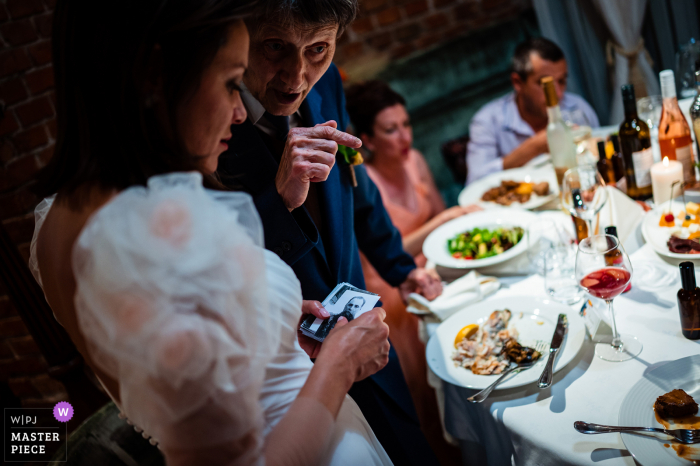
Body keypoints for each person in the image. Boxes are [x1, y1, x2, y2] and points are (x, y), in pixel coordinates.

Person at [30, 1, 394, 465]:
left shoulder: (57, 219)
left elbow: (175, 378)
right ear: (156, 76)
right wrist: (338, 368)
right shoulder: (149, 237)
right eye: (228, 83)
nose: (241, 111)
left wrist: (271, 324)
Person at [216, 1, 441, 464]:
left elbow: (356, 190)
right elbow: (219, 270)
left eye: (318, 48)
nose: (296, 76)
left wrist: (401, 269)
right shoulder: (212, 124)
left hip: (367, 333)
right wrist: (277, 200)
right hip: (294, 369)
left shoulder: (330, 82)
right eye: (275, 47)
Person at [345, 80, 478, 464]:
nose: (404, 136)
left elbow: (439, 220)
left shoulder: (416, 160)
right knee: (424, 396)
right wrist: (449, 218)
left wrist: (447, 226)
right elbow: (376, 259)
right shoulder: (363, 183)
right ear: (367, 138)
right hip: (390, 296)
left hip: (429, 277)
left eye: (406, 124)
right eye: (391, 129)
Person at [466, 37, 600, 184]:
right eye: (545, 84)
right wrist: (533, 147)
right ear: (517, 82)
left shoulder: (577, 108)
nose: (558, 94)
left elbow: (600, 152)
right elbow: (476, 181)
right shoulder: (487, 120)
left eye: (561, 81)